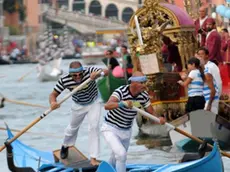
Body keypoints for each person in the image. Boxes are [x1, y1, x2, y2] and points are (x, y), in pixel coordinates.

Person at [101, 71, 165, 172]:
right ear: (133, 83)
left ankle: (106, 170)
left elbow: (151, 112)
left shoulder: (143, 96)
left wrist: (159, 119)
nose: (144, 85)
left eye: (144, 83)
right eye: (142, 83)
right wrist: (122, 103)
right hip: (110, 128)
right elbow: (107, 106)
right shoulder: (121, 91)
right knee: (121, 154)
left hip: (126, 130)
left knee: (116, 156)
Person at [49, 61, 108, 165]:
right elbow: (53, 94)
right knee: (73, 127)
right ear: (70, 74)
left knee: (94, 127)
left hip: (94, 102)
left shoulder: (88, 71)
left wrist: (98, 74)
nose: (78, 77)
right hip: (78, 105)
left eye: (80, 74)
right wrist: (53, 103)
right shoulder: (64, 80)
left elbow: (106, 72)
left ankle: (93, 158)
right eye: (75, 75)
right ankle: (65, 145)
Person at [197, 47, 222, 114]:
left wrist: (218, 95)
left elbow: (218, 82)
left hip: (212, 97)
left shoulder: (212, 66)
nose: (200, 56)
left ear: (207, 55)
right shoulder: (201, 67)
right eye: (198, 54)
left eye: (201, 54)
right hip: (205, 97)